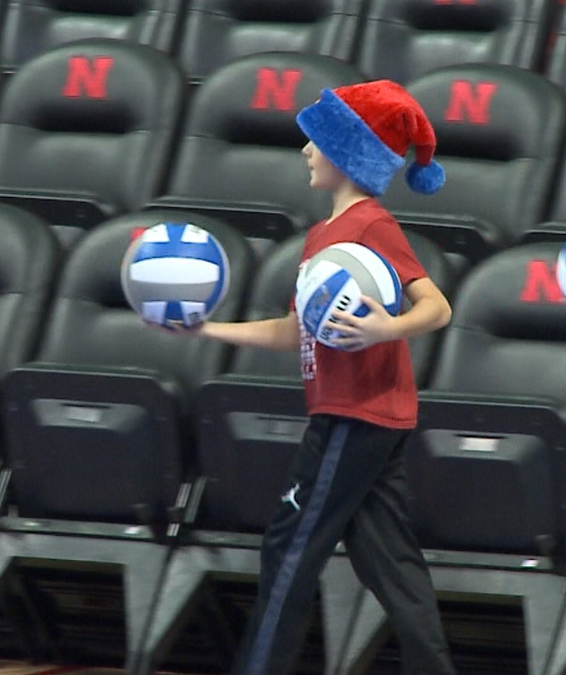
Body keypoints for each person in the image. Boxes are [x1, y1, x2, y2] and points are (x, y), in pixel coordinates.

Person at [165, 80, 456, 675]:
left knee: (291, 548)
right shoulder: (322, 238)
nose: (305, 150)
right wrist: (206, 331)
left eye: (316, 141)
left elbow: (437, 307)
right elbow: (293, 330)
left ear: (347, 155)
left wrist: (386, 327)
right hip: (368, 415)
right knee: (390, 563)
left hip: (355, 415)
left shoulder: (371, 226)